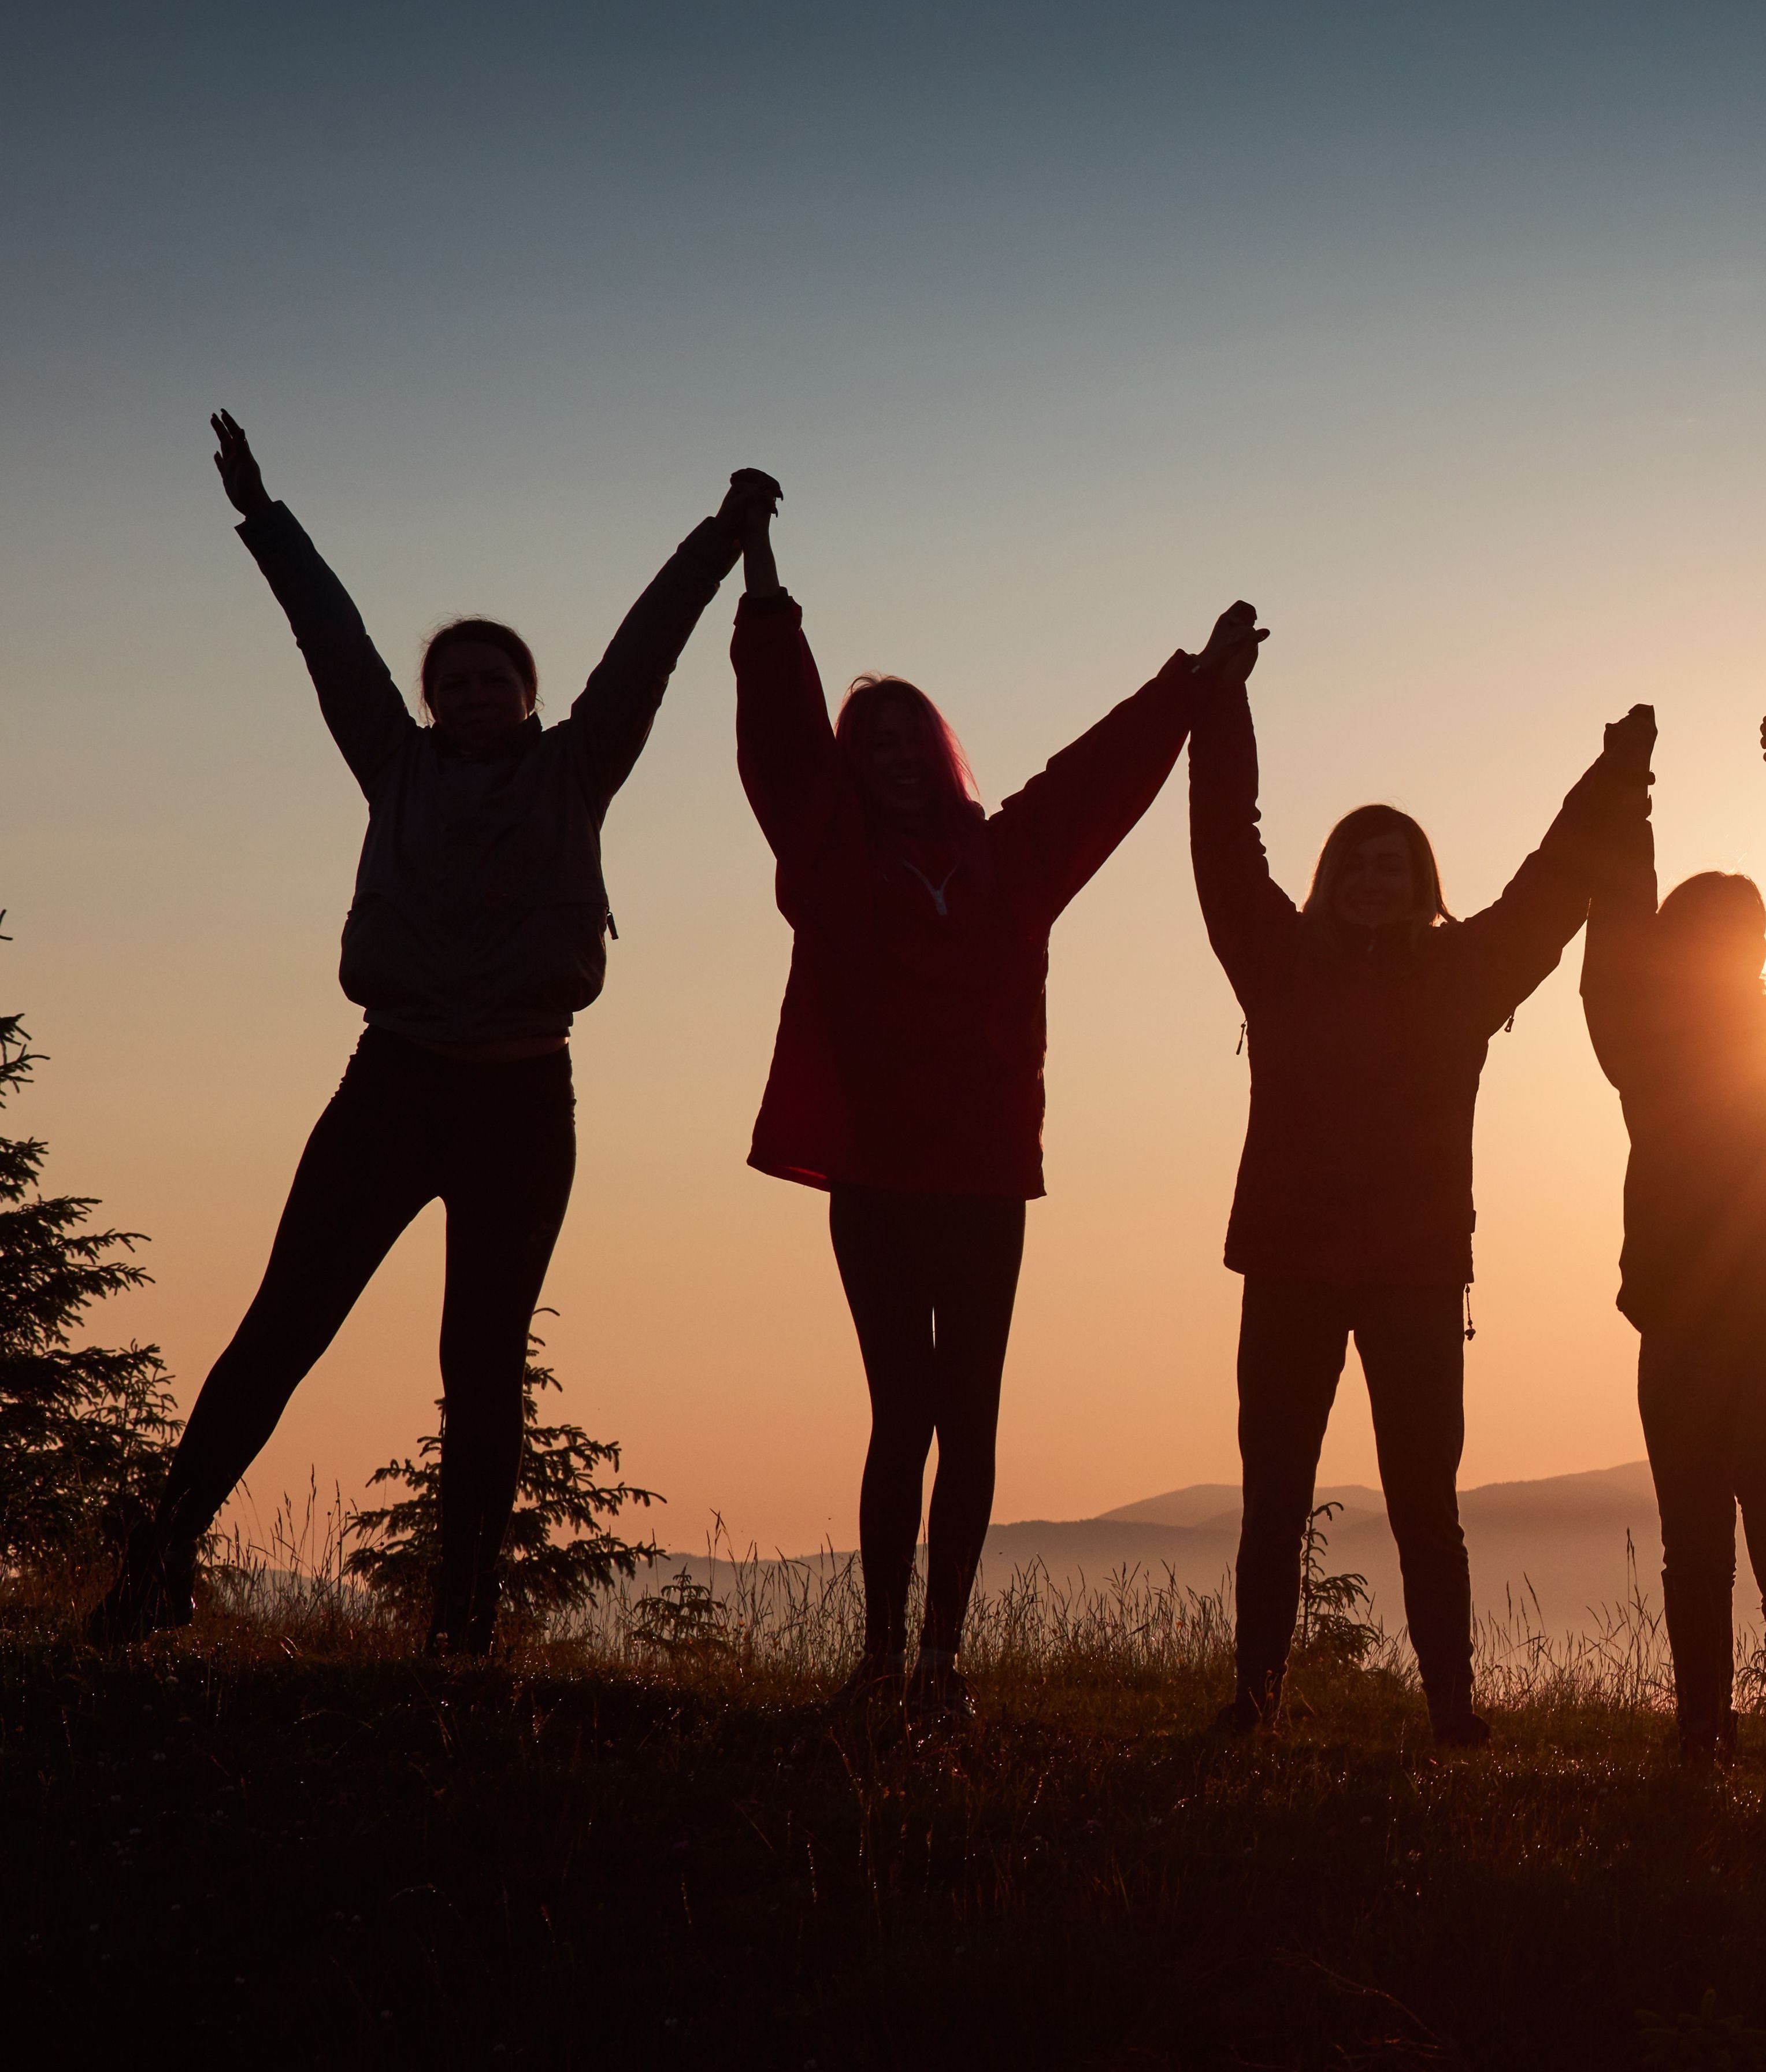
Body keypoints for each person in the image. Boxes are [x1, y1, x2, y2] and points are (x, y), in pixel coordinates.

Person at [91, 413, 768, 1651]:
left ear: (529, 694)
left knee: (483, 1369)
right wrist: (264, 516)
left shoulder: (580, 766)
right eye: (450, 682)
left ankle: (458, 1631)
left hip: (523, 1102)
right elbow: (330, 639)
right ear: (425, 700)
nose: (469, 696)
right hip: (389, 1089)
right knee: (281, 1328)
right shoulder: (390, 763)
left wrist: (719, 541)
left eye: (491, 680)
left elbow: (645, 652)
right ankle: (158, 1565)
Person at [729, 495, 1257, 1721]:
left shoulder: (1009, 862)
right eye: (873, 743)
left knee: (968, 1412)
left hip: (980, 1184)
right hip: (873, 1177)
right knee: (899, 1410)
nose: (892, 756)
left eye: (909, 737)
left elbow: (1097, 776)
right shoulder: (826, 861)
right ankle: (874, 1653)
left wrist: (1192, 683)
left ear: (940, 750)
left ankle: (939, 1661)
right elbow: (776, 733)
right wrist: (761, 582)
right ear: (852, 765)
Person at [1190, 648, 1647, 1747]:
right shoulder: (1277, 960)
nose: (1374, 881)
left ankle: (1452, 1710)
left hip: (1415, 1273)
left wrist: (1613, 776)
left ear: (1422, 883)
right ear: (1329, 878)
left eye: (1393, 867)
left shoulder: (1462, 977)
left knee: (1426, 1505)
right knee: (1274, 1499)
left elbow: (1548, 889)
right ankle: (1256, 1700)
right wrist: (1222, 701)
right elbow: (1222, 841)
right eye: (1358, 863)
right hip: (1290, 1267)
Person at [1581, 707, 1766, 1763]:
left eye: (1745, 937)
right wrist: (1628, 790)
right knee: (1695, 1519)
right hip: (1685, 1319)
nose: (1737, 951)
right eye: (1715, 935)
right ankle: (1703, 1723)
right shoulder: (1638, 1047)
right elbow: (1614, 927)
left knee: (1764, 1470)